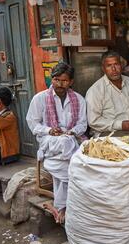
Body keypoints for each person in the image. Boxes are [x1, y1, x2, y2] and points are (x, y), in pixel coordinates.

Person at [26, 62, 87, 224]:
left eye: (64, 80)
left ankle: (61, 207)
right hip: (49, 142)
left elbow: (82, 124)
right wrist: (49, 131)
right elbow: (33, 123)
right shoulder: (39, 99)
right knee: (66, 151)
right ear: (51, 79)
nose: (59, 84)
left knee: (67, 147)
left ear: (71, 82)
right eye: (56, 79)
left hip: (71, 140)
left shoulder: (79, 99)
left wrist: (71, 131)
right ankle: (66, 207)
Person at [85, 51, 129, 138]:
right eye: (109, 66)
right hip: (109, 133)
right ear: (103, 68)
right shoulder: (95, 91)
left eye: (116, 64)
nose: (113, 69)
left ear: (121, 66)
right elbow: (93, 121)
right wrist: (120, 125)